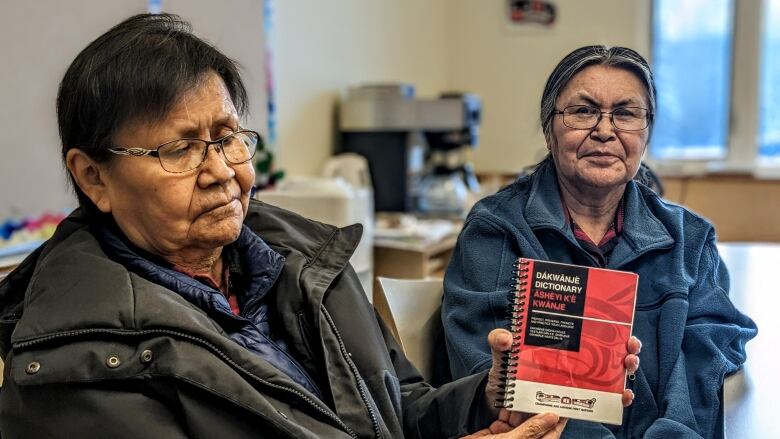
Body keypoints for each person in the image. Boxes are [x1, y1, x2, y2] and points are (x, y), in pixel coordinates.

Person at [0, 15, 642, 439]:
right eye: (178, 149)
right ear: (93, 178)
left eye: (228, 138)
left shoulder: (305, 257)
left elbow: (403, 411)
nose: (222, 171)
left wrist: (489, 400)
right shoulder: (73, 364)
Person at [442, 45, 758, 438]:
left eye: (626, 114)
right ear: (549, 128)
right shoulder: (497, 230)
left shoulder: (688, 239)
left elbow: (706, 356)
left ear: (647, 132)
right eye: (583, 111)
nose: (605, 131)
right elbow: (488, 377)